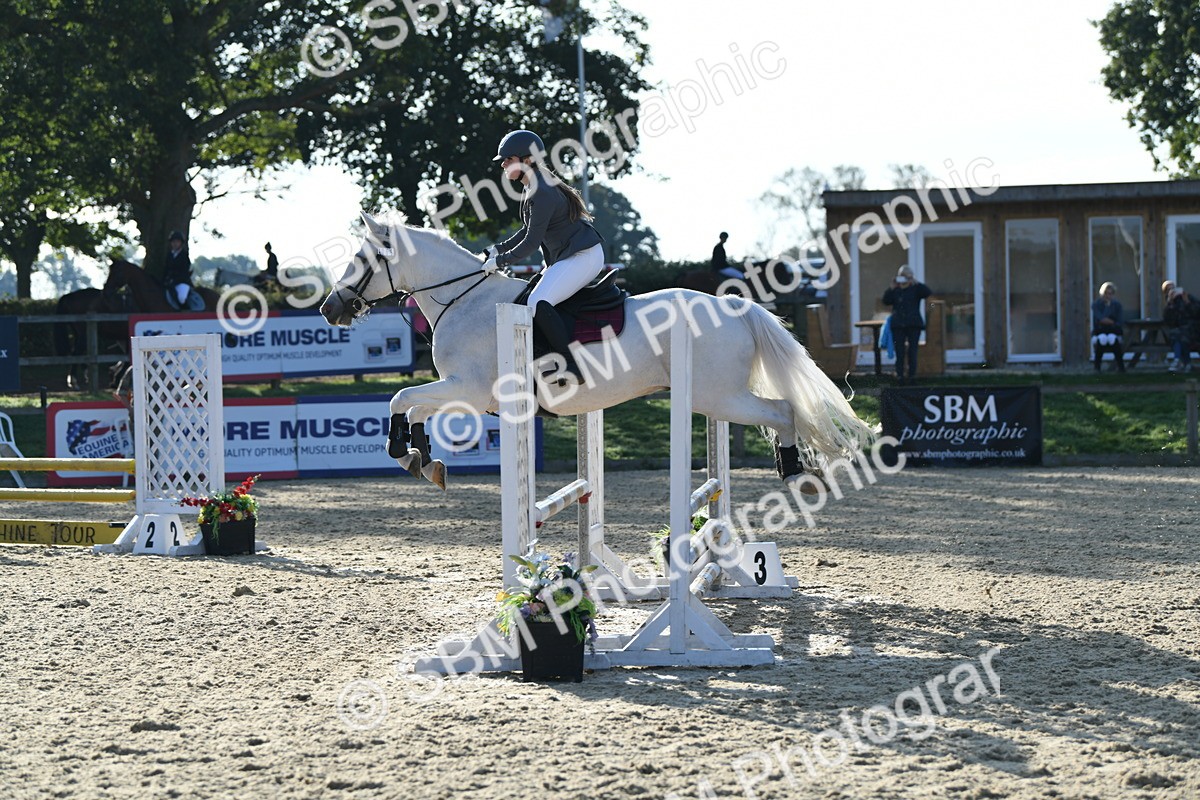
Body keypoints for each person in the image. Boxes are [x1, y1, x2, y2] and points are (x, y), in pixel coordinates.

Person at [480, 130, 604, 382]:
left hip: (583, 256)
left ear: (527, 160)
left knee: (537, 302)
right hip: (569, 256)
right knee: (528, 296)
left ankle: (572, 364)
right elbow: (527, 231)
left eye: (507, 159)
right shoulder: (532, 186)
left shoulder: (541, 190)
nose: (503, 164)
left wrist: (500, 262)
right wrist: (497, 249)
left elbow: (531, 242)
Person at [882, 265, 932, 384]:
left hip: (913, 324)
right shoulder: (896, 290)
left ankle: (912, 376)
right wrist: (891, 287)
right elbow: (885, 300)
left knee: (912, 351)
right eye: (901, 276)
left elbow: (928, 292)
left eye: (906, 276)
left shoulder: (916, 288)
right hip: (898, 325)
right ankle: (900, 376)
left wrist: (914, 281)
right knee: (899, 351)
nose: (903, 279)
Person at [1091, 281, 1125, 372]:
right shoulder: (1096, 305)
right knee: (1101, 340)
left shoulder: (1117, 305)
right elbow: (1101, 318)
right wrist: (1108, 307)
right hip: (1100, 330)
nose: (1108, 296)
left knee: (1112, 339)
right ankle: (1097, 367)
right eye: (1106, 293)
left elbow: (1119, 321)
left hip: (1113, 330)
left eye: (1110, 293)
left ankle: (1121, 367)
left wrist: (1109, 322)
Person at [1164, 287, 1198, 373]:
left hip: (1194, 330)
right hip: (1181, 331)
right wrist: (1170, 303)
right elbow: (1168, 319)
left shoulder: (1191, 300)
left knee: (1180, 336)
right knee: (1177, 336)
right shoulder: (1173, 304)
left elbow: (1196, 313)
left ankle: (1180, 361)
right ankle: (1182, 362)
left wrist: (1187, 302)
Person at [163, 230, 193, 309]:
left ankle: (185, 311)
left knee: (181, 298)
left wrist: (174, 280)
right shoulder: (169, 255)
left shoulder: (184, 256)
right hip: (170, 282)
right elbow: (166, 269)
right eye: (173, 242)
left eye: (177, 242)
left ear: (181, 243)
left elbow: (184, 271)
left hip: (182, 282)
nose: (175, 244)